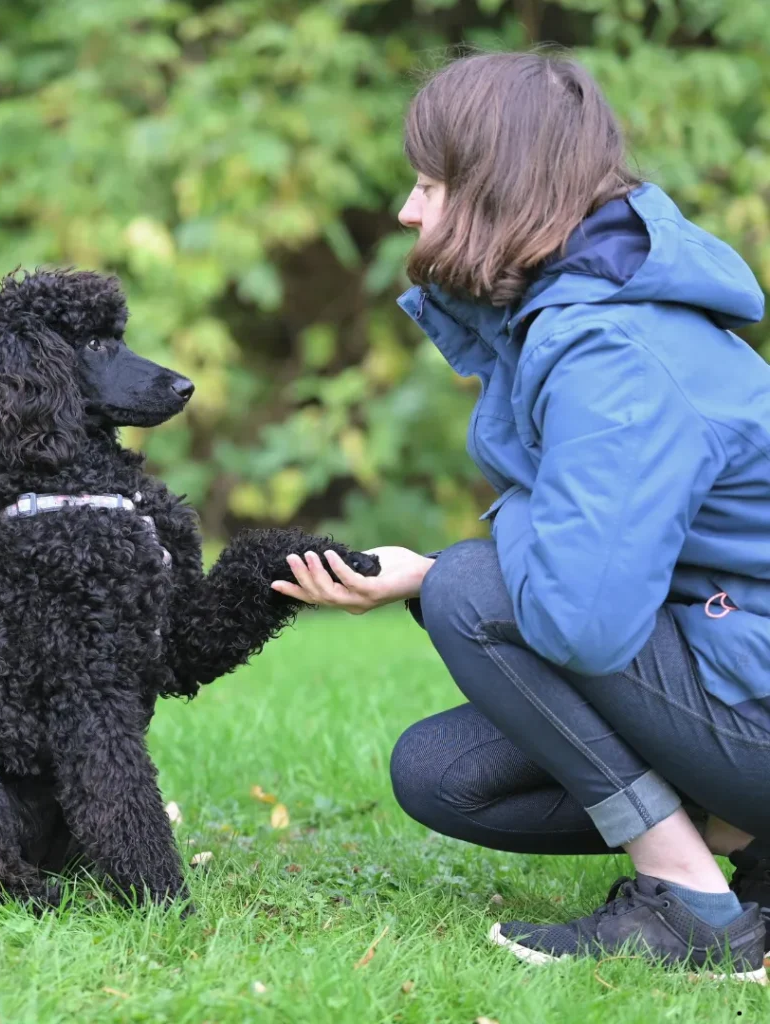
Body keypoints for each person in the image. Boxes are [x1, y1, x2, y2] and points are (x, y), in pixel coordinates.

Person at [272, 49, 770, 981]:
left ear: (499, 192)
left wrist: (451, 570)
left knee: (473, 585)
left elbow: (581, 623)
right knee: (444, 774)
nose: (407, 212)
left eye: (428, 185)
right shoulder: (575, 316)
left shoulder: (614, 353)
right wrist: (431, 574)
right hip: (737, 661)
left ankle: (691, 903)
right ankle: (752, 851)